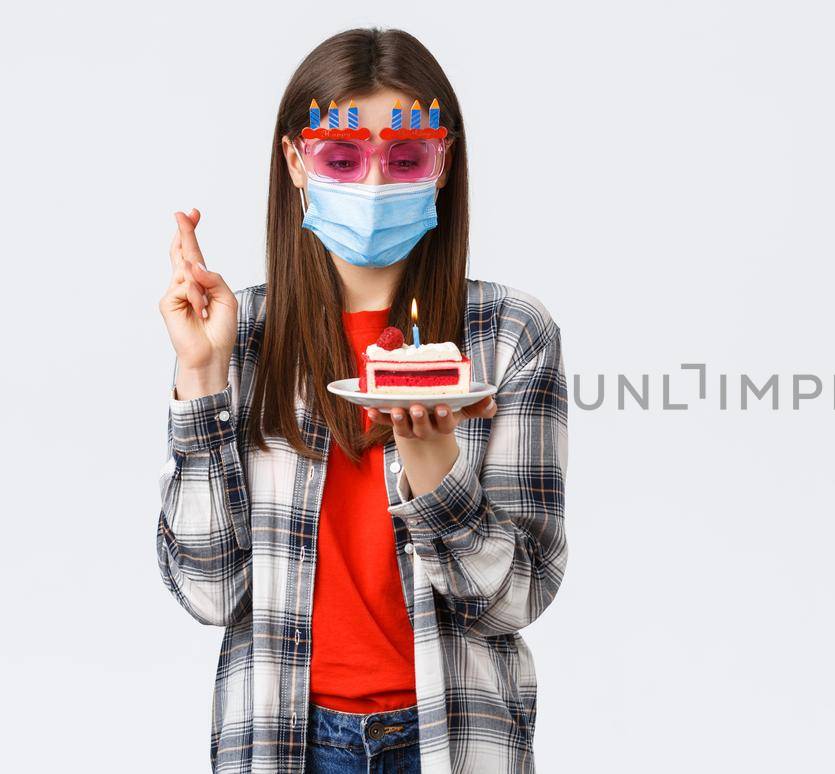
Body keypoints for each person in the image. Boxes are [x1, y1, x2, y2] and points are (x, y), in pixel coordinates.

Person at [155, 28, 569, 774]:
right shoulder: (240, 334)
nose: (374, 183)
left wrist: (435, 469)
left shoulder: (510, 337)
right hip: (284, 740)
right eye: (341, 158)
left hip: (452, 737)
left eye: (405, 157)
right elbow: (211, 592)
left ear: (442, 165)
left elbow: (516, 600)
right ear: (294, 161)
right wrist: (202, 378)